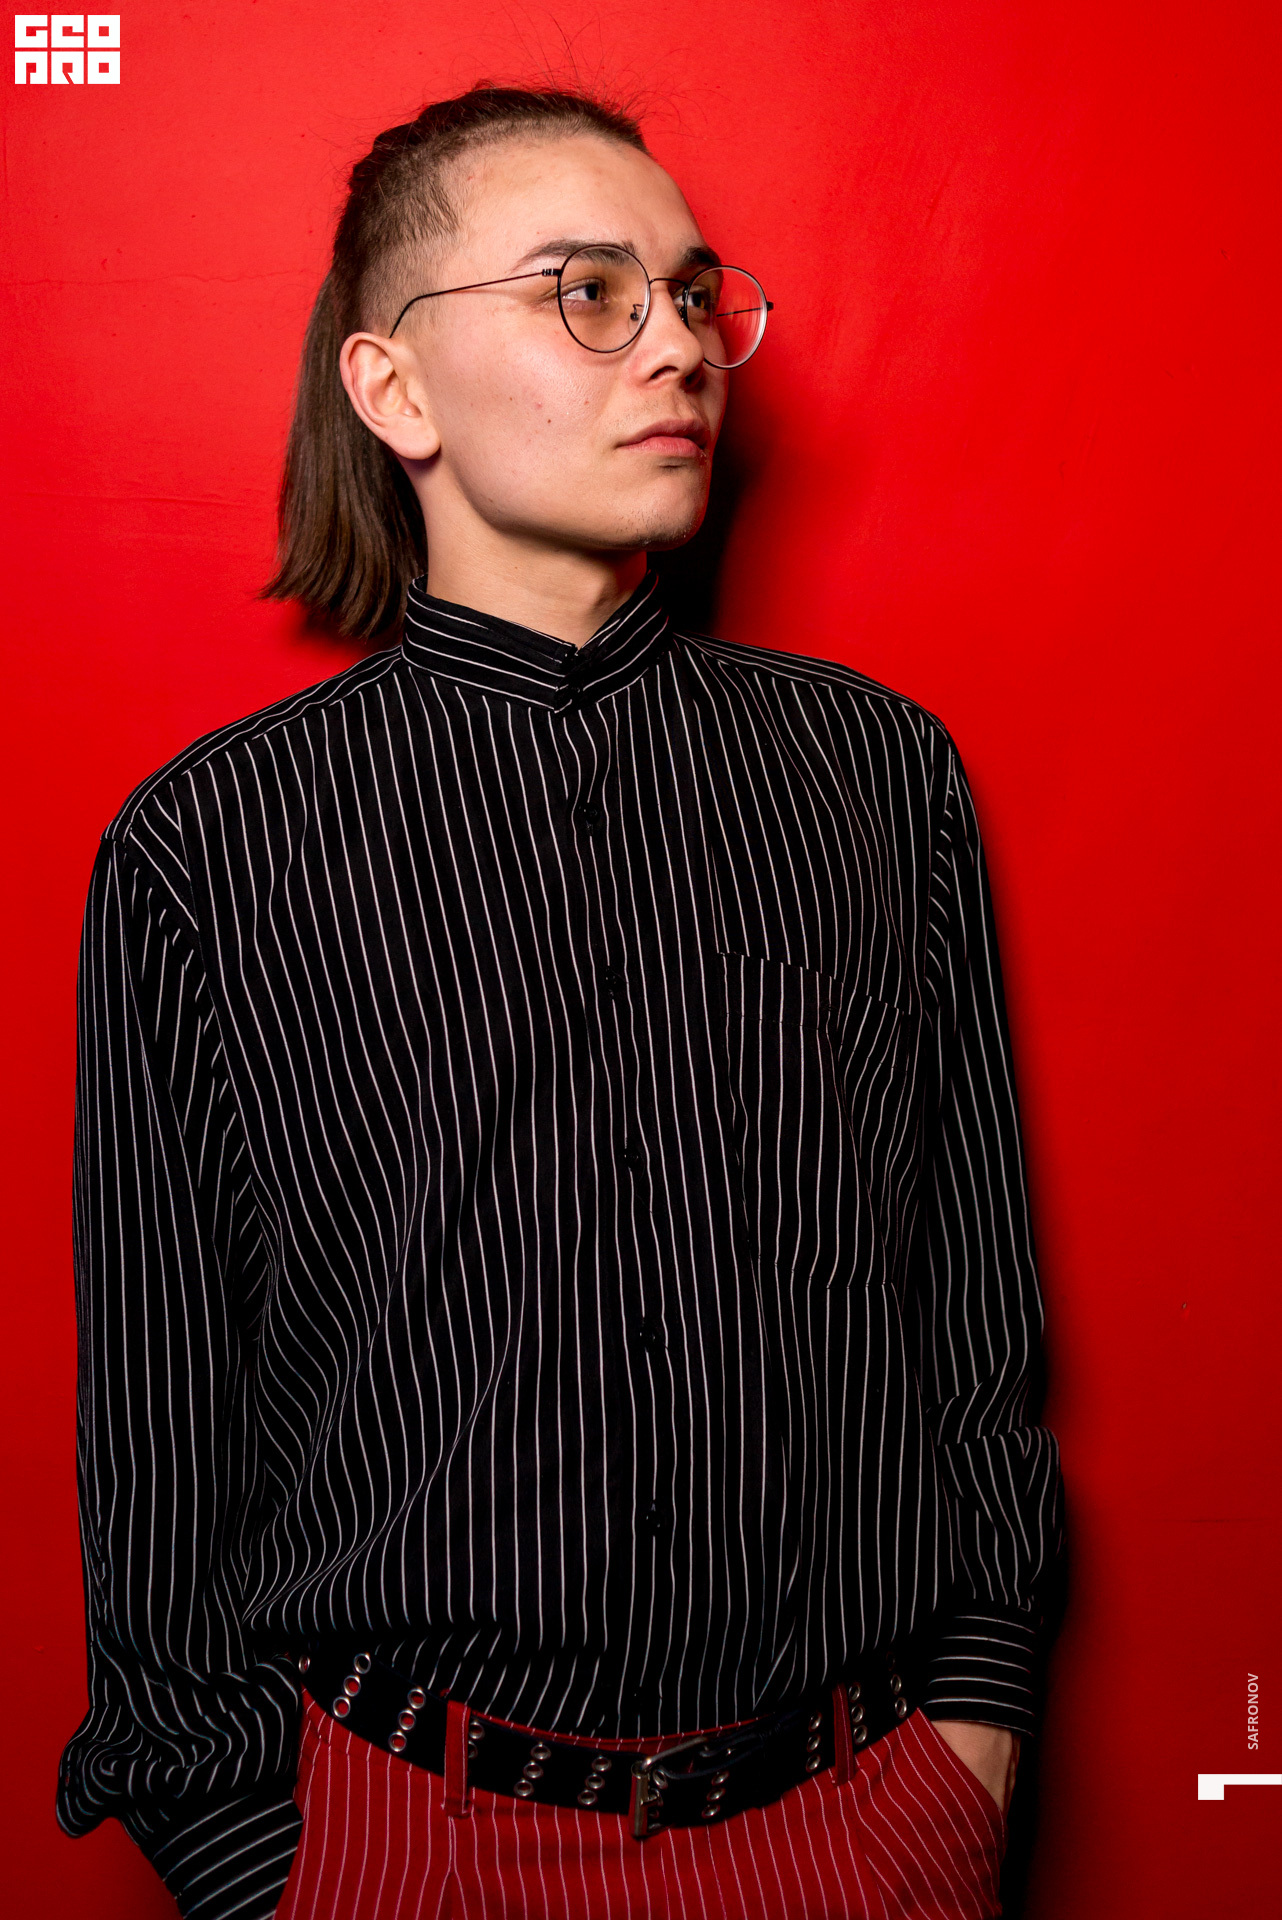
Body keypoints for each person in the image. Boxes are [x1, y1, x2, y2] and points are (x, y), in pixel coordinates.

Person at [56, 85, 1064, 1920]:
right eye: (584, 292)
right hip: (400, 1840)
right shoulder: (210, 846)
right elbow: (162, 1408)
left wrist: (971, 1735)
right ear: (395, 390)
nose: (673, 346)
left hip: (855, 1824)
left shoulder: (875, 777)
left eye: (688, 295)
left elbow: (970, 1303)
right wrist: (254, 1860)